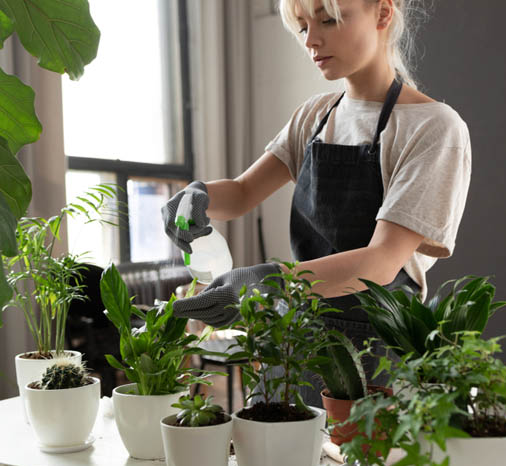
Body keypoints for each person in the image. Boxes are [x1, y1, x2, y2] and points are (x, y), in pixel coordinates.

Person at [161, 0, 471, 407]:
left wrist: (265, 283)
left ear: (382, 13)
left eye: (328, 20)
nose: (312, 40)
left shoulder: (433, 128)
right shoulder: (315, 116)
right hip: (293, 333)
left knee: (355, 465)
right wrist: (198, 195)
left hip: (371, 350)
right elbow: (241, 193)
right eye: (302, 26)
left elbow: (379, 264)